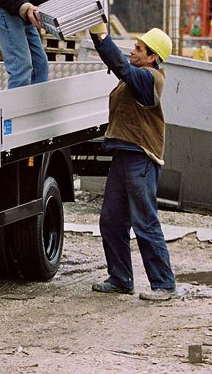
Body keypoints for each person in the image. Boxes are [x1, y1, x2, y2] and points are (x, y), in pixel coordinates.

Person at [88, 23, 177, 301]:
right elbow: (120, 68)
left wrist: (101, 37)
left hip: (141, 158)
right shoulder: (136, 76)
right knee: (112, 220)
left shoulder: (148, 78)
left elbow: (121, 67)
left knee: (145, 221)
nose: (133, 50)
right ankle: (121, 278)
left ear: (152, 57)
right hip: (124, 154)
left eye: (139, 48)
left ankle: (164, 284)